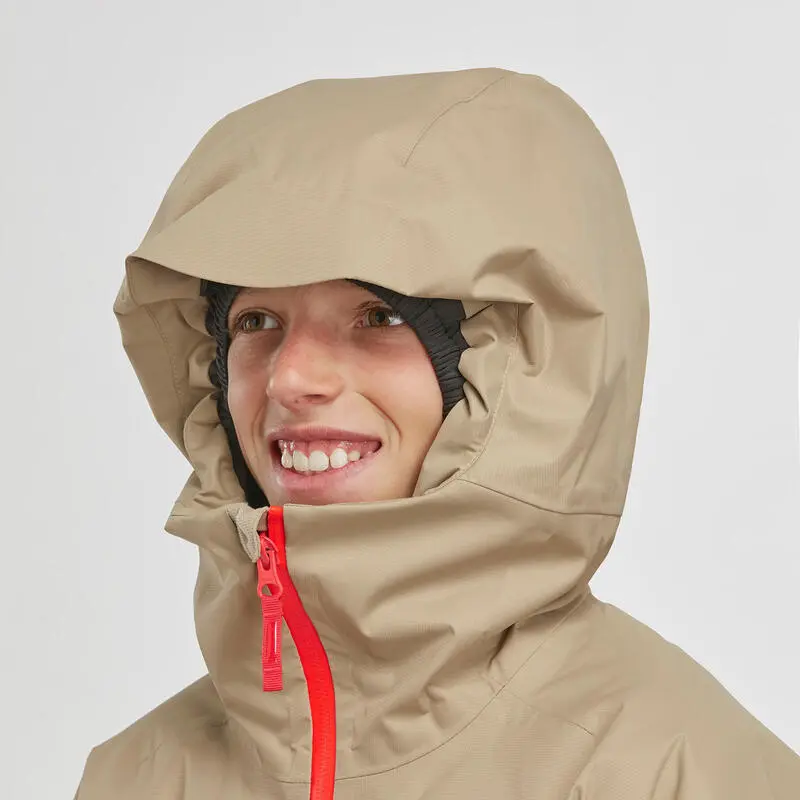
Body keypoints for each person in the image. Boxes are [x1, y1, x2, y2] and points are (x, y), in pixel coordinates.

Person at [75, 67, 800, 799]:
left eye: (379, 317)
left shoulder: (675, 772)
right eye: (255, 321)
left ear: (517, 369)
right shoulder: (137, 777)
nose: (290, 378)